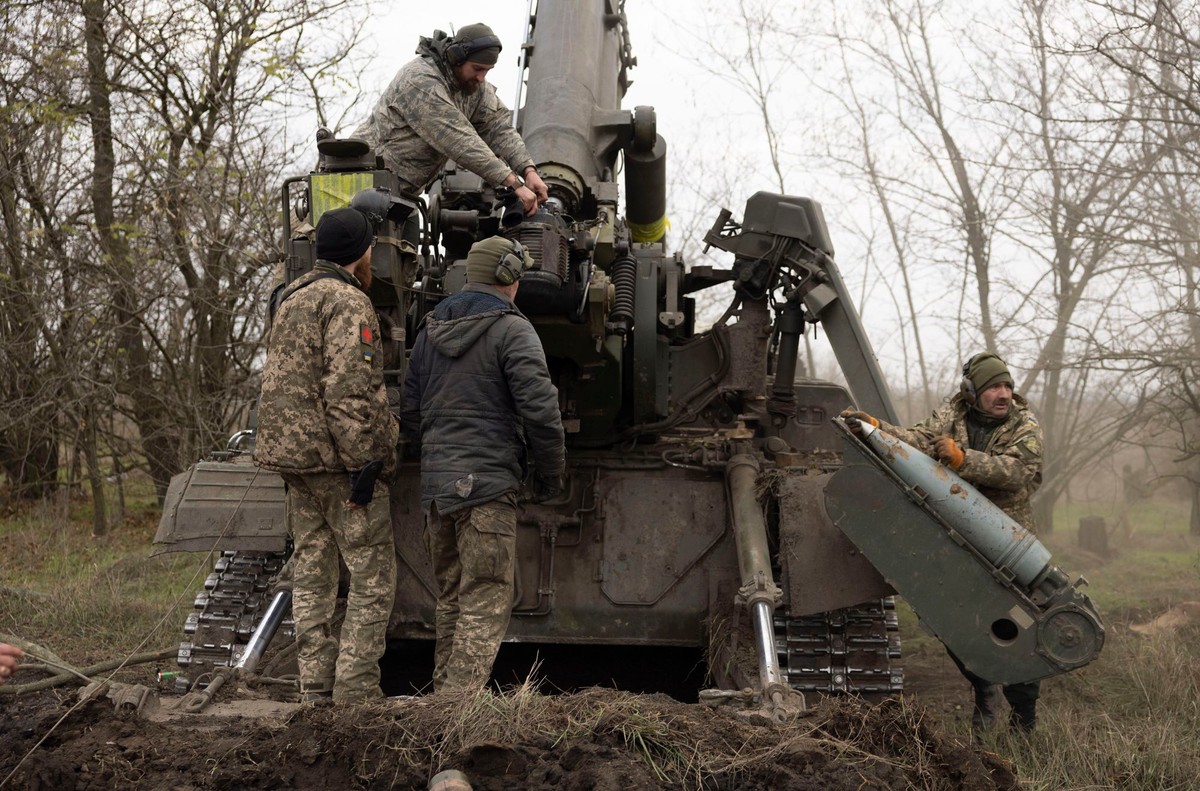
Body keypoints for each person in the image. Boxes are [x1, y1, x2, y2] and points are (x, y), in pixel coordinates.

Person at [843, 351, 1044, 732]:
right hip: (958, 538)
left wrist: (962, 459)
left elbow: (1019, 471)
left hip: (1009, 544)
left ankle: (1023, 717)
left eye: (1007, 386)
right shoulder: (952, 413)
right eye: (993, 387)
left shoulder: (1024, 422)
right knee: (954, 620)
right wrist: (876, 427)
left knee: (1018, 626)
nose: (1003, 394)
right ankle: (984, 689)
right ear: (972, 391)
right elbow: (919, 438)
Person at [401, 236, 566, 691]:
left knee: (451, 598)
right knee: (487, 596)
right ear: (509, 277)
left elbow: (411, 415)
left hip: (438, 493)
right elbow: (542, 413)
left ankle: (441, 698)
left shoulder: (428, 331)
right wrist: (549, 477)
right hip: (488, 489)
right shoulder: (514, 330)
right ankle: (457, 705)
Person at [253, 207, 399, 703]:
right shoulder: (349, 301)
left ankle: (314, 689)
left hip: (293, 463)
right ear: (361, 252)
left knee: (312, 575)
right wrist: (367, 465)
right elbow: (348, 395)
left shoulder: (291, 297)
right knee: (372, 577)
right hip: (338, 465)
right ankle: (356, 695)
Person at [353, 23, 549, 216]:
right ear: (456, 58)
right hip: (360, 185)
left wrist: (528, 171)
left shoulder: (474, 89)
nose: (481, 78)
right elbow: (458, 140)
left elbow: (499, 128)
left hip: (401, 195)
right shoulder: (419, 80)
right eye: (477, 68)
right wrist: (513, 183)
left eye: (487, 71)